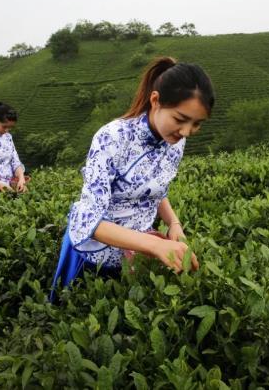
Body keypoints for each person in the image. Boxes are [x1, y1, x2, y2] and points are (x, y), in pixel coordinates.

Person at [50, 56, 215, 299]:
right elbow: (89, 222)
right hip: (93, 256)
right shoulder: (112, 138)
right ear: (156, 100)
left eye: (196, 124)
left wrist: (174, 224)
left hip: (136, 255)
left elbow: (157, 191)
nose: (186, 132)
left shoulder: (175, 142)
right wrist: (157, 245)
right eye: (180, 119)